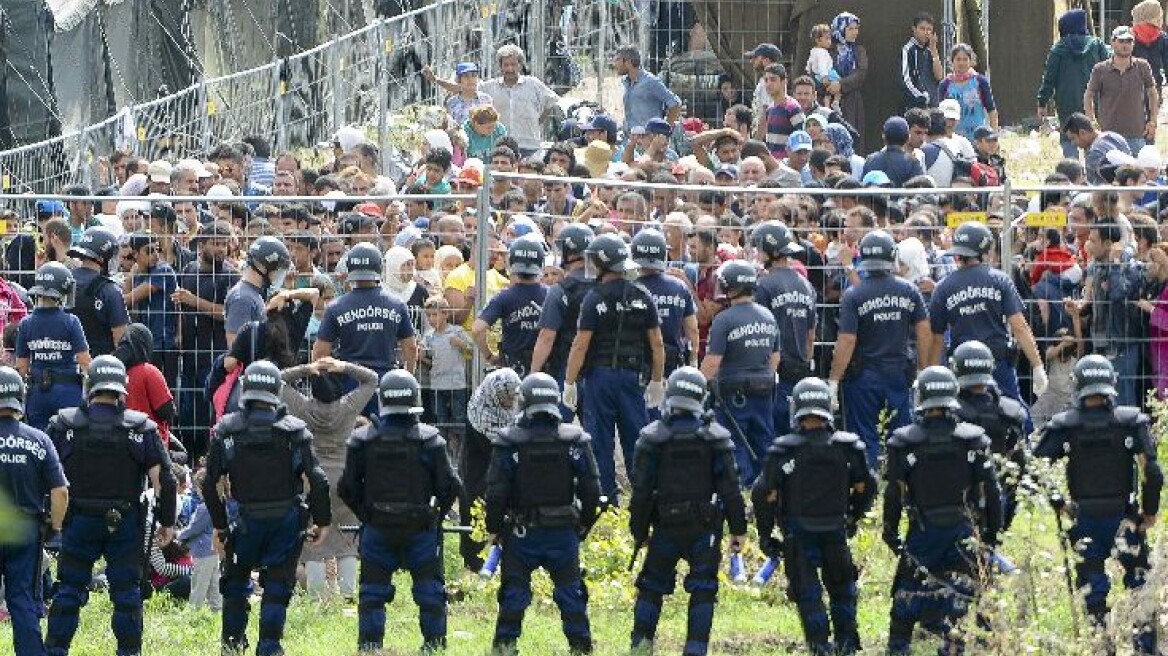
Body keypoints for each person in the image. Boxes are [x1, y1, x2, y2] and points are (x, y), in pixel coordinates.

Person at [45, 355, 178, 656]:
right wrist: (167, 523)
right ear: (122, 390)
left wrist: (49, 522)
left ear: (89, 386)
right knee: (127, 595)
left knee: (68, 591)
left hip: (77, 521)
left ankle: (55, 650)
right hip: (125, 523)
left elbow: (47, 479)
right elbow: (165, 481)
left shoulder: (63, 425)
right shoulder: (141, 428)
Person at [1033, 355, 1162, 655]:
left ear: (1078, 386)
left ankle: (1102, 648)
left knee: (1093, 592)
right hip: (1124, 518)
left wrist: (1059, 502)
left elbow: (1035, 465)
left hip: (1085, 519)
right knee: (1140, 586)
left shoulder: (1065, 425)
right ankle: (1145, 650)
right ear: (1111, 384)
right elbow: (1153, 472)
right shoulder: (1130, 422)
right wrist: (1150, 513)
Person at [202, 360, 331, 656]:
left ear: (245, 389)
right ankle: (270, 647)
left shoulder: (226, 429)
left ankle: (232, 645)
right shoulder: (295, 431)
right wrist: (322, 520)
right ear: (277, 390)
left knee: (235, 584)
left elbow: (210, 484)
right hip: (286, 520)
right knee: (278, 586)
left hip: (243, 519)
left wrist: (220, 526)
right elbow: (318, 479)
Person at [338, 369, 463, 652]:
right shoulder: (431, 440)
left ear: (382, 401)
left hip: (377, 528)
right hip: (420, 529)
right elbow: (451, 487)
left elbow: (346, 488)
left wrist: (366, 516)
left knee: (372, 595)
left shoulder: (361, 440)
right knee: (430, 594)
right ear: (414, 400)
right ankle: (433, 645)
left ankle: (370, 646)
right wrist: (436, 518)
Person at [883, 366, 1002, 656]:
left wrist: (890, 531)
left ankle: (899, 649)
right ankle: (952, 649)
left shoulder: (904, 441)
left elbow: (893, 494)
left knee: (907, 594)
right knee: (958, 597)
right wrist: (991, 533)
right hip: (962, 530)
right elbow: (992, 492)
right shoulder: (973, 439)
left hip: (923, 530)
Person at [753, 377, 876, 656]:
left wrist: (766, 534)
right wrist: (853, 515)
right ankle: (847, 644)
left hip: (799, 533)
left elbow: (764, 495)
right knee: (843, 589)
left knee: (808, 595)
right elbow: (866, 486)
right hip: (835, 529)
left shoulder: (783, 451)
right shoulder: (848, 448)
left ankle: (820, 646)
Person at [628, 367, 747, 656]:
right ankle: (696, 650)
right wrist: (739, 529)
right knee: (704, 589)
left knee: (651, 586)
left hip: (665, 527)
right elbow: (731, 489)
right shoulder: (716, 438)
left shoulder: (652, 438)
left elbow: (641, 493)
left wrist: (639, 531)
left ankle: (640, 647)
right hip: (704, 529)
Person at [485, 372, 601, 655]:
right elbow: (592, 491)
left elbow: (496, 493)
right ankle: (581, 647)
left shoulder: (509, 441)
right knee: (570, 592)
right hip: (563, 532)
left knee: (514, 592)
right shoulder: (575, 440)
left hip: (521, 533)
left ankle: (505, 646)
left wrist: (495, 528)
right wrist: (583, 525)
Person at [563, 234, 665, 499]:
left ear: (600, 263)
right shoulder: (643, 295)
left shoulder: (593, 298)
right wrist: (657, 380)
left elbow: (580, 345)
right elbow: (657, 343)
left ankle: (605, 498)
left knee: (600, 441)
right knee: (637, 439)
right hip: (633, 377)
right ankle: (644, 495)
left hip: (599, 378)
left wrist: (569, 381)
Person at [280, 356, 378, 600]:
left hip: (312, 478)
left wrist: (306, 369)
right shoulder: (348, 407)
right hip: (345, 477)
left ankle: (316, 596)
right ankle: (348, 595)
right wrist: (344, 366)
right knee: (346, 539)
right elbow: (372, 379)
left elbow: (277, 380)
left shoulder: (302, 408)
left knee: (313, 538)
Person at [829, 230, 930, 467]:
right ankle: (902, 483)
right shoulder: (909, 290)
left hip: (863, 374)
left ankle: (869, 488)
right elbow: (924, 330)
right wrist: (924, 368)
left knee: (864, 438)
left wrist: (834, 379)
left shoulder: (854, 295)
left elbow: (847, 340)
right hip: (898, 371)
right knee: (902, 435)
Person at [928, 221, 1047, 405]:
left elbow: (937, 339)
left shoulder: (943, 287)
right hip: (997, 362)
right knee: (1015, 414)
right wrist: (1038, 366)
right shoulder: (999, 280)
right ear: (986, 250)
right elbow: (1019, 326)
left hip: (962, 366)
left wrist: (932, 374)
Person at [0, 366, 68, 656]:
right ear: (21, 397)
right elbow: (60, 492)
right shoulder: (39, 441)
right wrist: (55, 526)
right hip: (25, 531)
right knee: (22, 600)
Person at [313, 242, 418, 416]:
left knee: (350, 436)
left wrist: (326, 384)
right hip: (385, 384)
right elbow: (411, 348)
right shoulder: (397, 305)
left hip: (349, 384)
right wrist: (407, 377)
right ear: (379, 267)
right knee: (385, 436)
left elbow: (320, 353)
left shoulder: (335, 307)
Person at [699, 260, 779, 485]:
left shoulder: (724, 320)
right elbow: (775, 357)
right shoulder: (768, 316)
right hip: (764, 389)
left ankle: (740, 492)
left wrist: (696, 387)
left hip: (734, 395)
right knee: (763, 441)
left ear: (728, 287)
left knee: (734, 443)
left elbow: (713, 361)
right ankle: (767, 490)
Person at [951, 340, 1027, 531]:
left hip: (960, 502)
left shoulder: (952, 413)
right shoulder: (1011, 411)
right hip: (999, 499)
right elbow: (1020, 468)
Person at [751, 221, 816, 437]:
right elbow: (810, 334)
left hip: (772, 372)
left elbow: (758, 332)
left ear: (769, 250)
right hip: (798, 370)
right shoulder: (806, 285)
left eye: (759, 249)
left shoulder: (763, 286)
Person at [16, 262, 92, 432]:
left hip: (37, 393)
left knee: (40, 438)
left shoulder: (26, 323)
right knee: (67, 442)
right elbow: (85, 361)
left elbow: (21, 367)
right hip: (68, 391)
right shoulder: (71, 322)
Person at [461, 367, 522, 570]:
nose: (511, 403)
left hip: (496, 467)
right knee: (476, 507)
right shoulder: (482, 411)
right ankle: (474, 560)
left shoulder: (503, 408)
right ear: (496, 394)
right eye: (507, 398)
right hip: (479, 470)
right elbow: (499, 444)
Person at [1037, 8, 1111, 158]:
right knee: (1092, 134)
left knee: (1068, 137)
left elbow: (1049, 79)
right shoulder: (1096, 45)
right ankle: (1094, 166)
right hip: (1095, 100)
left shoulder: (1058, 50)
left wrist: (1042, 102)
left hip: (1066, 101)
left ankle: (1073, 172)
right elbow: (1110, 69)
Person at [630, 228, 698, 388]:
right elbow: (692, 330)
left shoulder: (631, 287)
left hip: (635, 361)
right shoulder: (679, 286)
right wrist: (693, 360)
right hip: (670, 362)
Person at [473, 238, 549, 375]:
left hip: (513, 370)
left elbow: (477, 329)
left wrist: (489, 356)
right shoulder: (551, 295)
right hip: (546, 369)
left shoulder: (504, 297)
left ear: (511, 263)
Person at [1085, 25, 1159, 154]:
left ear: (1133, 44)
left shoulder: (1142, 66)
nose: (1125, 45)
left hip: (1137, 135)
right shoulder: (1100, 69)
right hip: (1108, 136)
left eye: (1129, 41)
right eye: (1121, 41)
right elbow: (1089, 95)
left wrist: (1153, 121)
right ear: (1113, 42)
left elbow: (1152, 92)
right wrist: (1091, 120)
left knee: (1138, 172)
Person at [67, 226, 129, 356]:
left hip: (65, 365)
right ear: (103, 258)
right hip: (100, 366)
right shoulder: (110, 291)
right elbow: (121, 341)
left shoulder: (63, 282)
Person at [224, 235, 291, 346]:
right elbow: (235, 351)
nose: (279, 276)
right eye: (278, 270)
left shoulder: (252, 294)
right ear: (264, 267)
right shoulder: (243, 299)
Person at [613, 45, 682, 131]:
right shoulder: (626, 82)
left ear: (628, 62)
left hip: (647, 140)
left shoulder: (650, 81)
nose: (615, 64)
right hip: (630, 138)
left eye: (617, 60)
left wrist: (664, 131)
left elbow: (675, 104)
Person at [937, 43, 997, 142]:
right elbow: (939, 114)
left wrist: (994, 136)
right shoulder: (945, 84)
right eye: (958, 59)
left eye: (965, 59)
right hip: (953, 139)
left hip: (978, 139)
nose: (962, 63)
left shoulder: (980, 81)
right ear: (952, 61)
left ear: (970, 61)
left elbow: (991, 110)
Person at [830, 12, 868, 151]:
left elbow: (861, 73)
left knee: (853, 136)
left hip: (853, 101)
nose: (855, 32)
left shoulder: (858, 51)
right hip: (831, 100)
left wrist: (840, 84)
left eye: (856, 28)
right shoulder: (830, 50)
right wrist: (829, 85)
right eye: (850, 28)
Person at [900, 12, 943, 110]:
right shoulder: (908, 49)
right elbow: (905, 80)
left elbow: (939, 76)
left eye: (929, 29)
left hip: (934, 105)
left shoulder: (930, 50)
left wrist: (934, 50)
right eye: (922, 29)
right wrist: (922, 98)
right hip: (916, 107)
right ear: (914, 29)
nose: (926, 32)